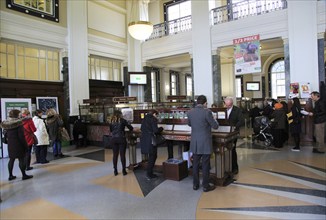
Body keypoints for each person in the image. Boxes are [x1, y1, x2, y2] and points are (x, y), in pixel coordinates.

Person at [188, 95, 219, 192]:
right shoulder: (207, 112)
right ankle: (205, 186)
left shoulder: (190, 112)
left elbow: (189, 124)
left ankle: (195, 185)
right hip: (205, 142)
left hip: (195, 141)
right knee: (205, 164)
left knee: (196, 164)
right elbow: (215, 126)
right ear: (205, 103)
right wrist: (215, 119)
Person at [0, 109, 33, 181]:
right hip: (19, 145)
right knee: (21, 159)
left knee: (11, 160)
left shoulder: (6, 123)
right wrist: (26, 146)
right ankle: (24, 175)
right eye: (19, 114)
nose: (20, 115)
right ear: (16, 115)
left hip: (11, 144)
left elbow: (5, 134)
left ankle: (10, 175)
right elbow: (21, 137)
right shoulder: (18, 124)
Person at [140, 109, 163, 179]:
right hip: (151, 140)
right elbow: (155, 130)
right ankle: (149, 173)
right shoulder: (153, 119)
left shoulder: (144, 118)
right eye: (156, 115)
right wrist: (161, 128)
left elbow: (141, 128)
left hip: (145, 140)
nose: (157, 116)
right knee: (153, 156)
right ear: (154, 114)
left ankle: (149, 172)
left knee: (151, 156)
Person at [224, 97, 244, 174]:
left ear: (232, 104)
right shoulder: (223, 109)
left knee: (232, 149)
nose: (227, 106)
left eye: (229, 105)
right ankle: (226, 167)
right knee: (225, 150)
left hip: (233, 133)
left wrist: (235, 126)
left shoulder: (237, 110)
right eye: (226, 105)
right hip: (225, 132)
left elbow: (241, 120)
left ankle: (234, 168)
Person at [109, 110, 133, 176]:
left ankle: (115, 170)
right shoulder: (123, 120)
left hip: (113, 139)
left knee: (115, 155)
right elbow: (131, 128)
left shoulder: (111, 121)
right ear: (120, 114)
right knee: (122, 155)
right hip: (121, 139)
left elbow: (111, 130)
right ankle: (123, 170)